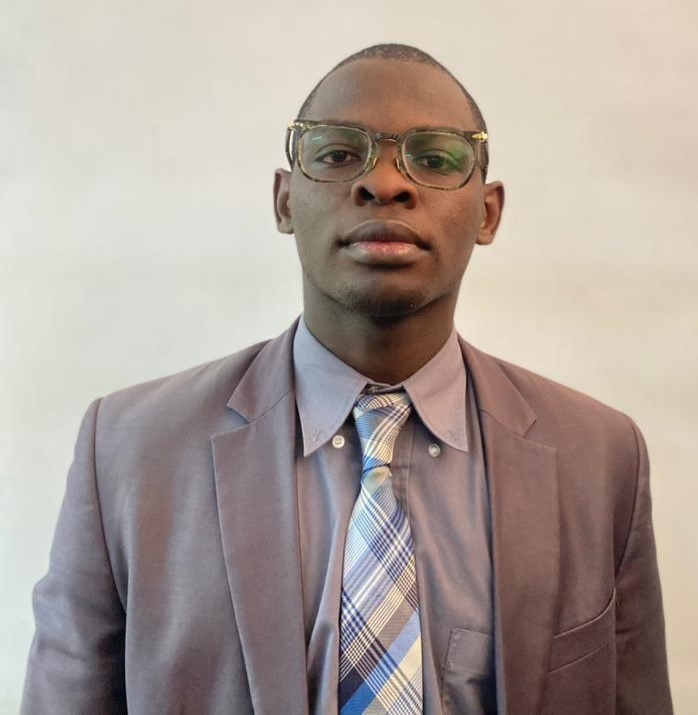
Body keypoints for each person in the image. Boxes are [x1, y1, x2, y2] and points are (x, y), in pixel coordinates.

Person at [22, 44, 672, 715]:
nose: (385, 184)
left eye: (435, 158)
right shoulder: (129, 449)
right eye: (337, 154)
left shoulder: (601, 457)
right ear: (284, 201)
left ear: (488, 212)